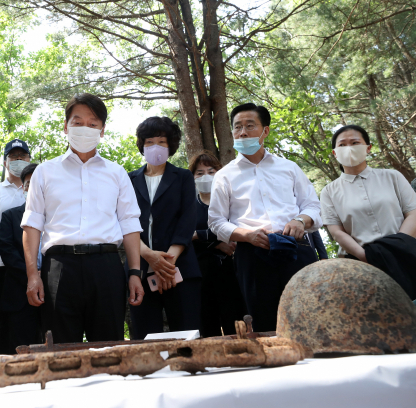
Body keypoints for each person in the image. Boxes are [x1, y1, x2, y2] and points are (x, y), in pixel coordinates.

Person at [21, 93, 144, 344]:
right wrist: (33, 274)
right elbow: (32, 225)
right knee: (61, 349)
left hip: (107, 267)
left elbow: (130, 224)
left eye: (93, 123)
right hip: (59, 268)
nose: (85, 128)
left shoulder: (116, 173)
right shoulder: (44, 172)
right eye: (77, 122)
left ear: (102, 130)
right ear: (65, 127)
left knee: (110, 347)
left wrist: (134, 272)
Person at [208, 103, 322, 332]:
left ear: (265, 131)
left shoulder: (288, 167)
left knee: (310, 317)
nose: (242, 132)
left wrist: (300, 221)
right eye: (237, 127)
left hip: (295, 249)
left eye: (250, 126)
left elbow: (313, 206)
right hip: (253, 255)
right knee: (265, 322)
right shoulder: (224, 176)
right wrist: (246, 235)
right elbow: (216, 222)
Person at [320, 125, 416, 298]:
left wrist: (399, 246)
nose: (348, 148)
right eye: (342, 145)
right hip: (361, 265)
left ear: (368, 148)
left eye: (355, 142)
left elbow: (413, 212)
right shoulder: (329, 191)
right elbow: (336, 231)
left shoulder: (392, 176)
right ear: (335, 153)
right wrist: (365, 256)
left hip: (406, 256)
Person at [126, 117, 199, 340]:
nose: (155, 147)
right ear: (141, 145)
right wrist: (149, 256)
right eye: (149, 142)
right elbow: (124, 222)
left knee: (187, 337)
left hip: (180, 269)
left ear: (171, 146)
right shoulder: (128, 179)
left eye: (161, 142)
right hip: (140, 270)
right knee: (144, 337)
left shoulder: (183, 177)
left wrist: (167, 262)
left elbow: (188, 219)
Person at [189, 151, 246, 337]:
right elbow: (186, 236)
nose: (206, 176)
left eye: (211, 171)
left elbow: (238, 227)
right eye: (199, 172)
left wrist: (201, 235)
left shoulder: (231, 200)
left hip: (232, 273)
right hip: (201, 275)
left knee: (236, 325)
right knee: (206, 327)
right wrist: (216, 243)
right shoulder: (188, 205)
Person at [0, 139, 31, 353]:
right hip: (1, 267)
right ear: (5, 162)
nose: (18, 160)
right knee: (3, 324)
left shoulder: (38, 189)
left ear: (29, 159)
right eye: (13, 157)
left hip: (36, 268)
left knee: (33, 324)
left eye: (22, 156)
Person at [0, 163, 42, 353]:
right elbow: (8, 252)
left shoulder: (60, 217)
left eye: (38, 183)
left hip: (56, 292)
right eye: (29, 183)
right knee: (20, 349)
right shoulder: (10, 216)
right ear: (23, 187)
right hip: (19, 293)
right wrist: (33, 275)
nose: (33, 187)